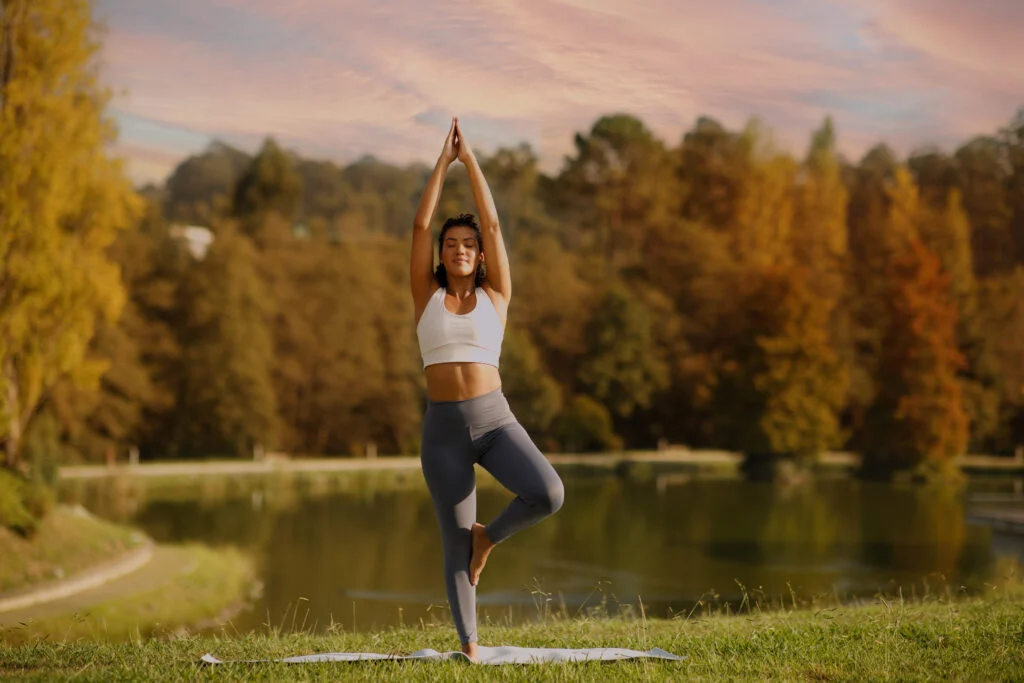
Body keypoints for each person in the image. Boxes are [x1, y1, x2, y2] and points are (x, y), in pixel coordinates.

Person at [410, 117, 565, 662]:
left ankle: (490, 537)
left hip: (496, 421)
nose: (458, 249)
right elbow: (419, 225)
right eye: (451, 244)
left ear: (479, 255)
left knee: (548, 493)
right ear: (442, 254)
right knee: (453, 545)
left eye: (467, 244)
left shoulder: (497, 295)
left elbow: (496, 226)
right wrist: (440, 162)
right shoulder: (424, 295)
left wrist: (468, 160)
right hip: (443, 431)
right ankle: (470, 648)